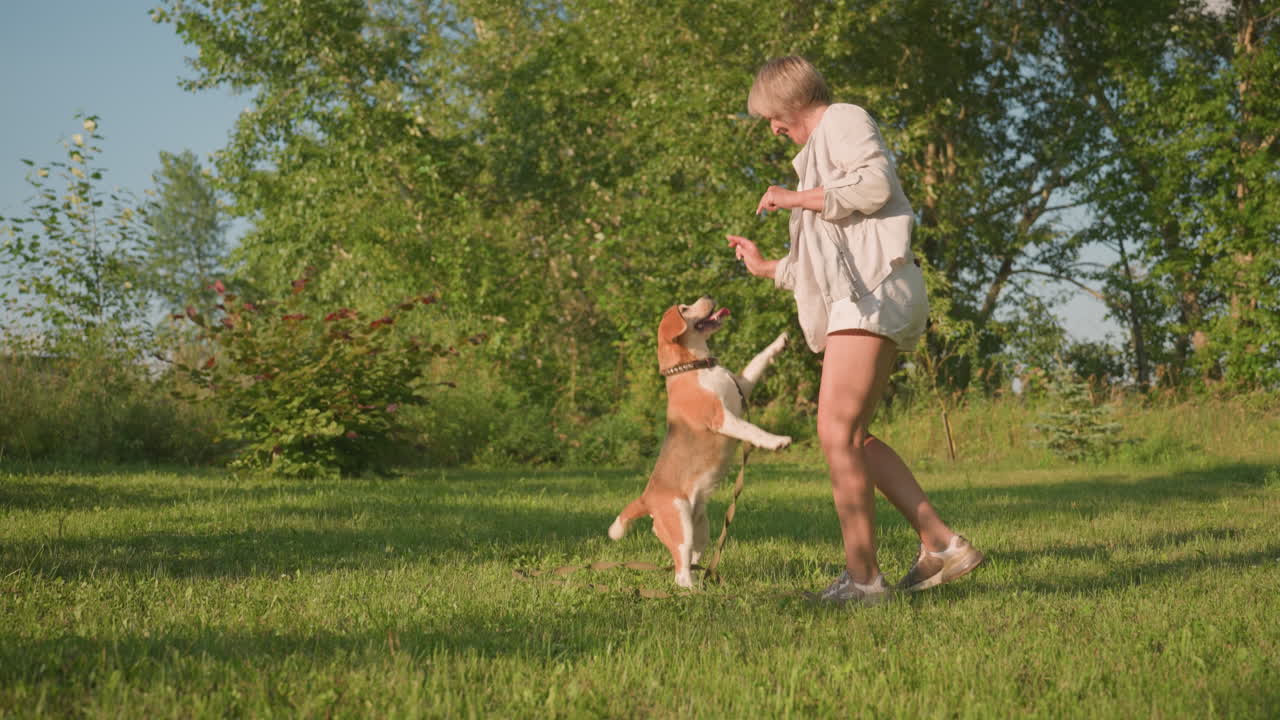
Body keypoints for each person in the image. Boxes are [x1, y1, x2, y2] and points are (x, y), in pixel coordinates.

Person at [727, 56, 984, 604]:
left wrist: (792, 198)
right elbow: (818, 265)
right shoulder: (813, 161)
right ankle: (941, 544)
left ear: (791, 101)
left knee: (834, 431)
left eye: (771, 116)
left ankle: (864, 580)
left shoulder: (842, 118)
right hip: (864, 297)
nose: (772, 128)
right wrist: (766, 266)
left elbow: (873, 187)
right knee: (852, 438)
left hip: (873, 297)